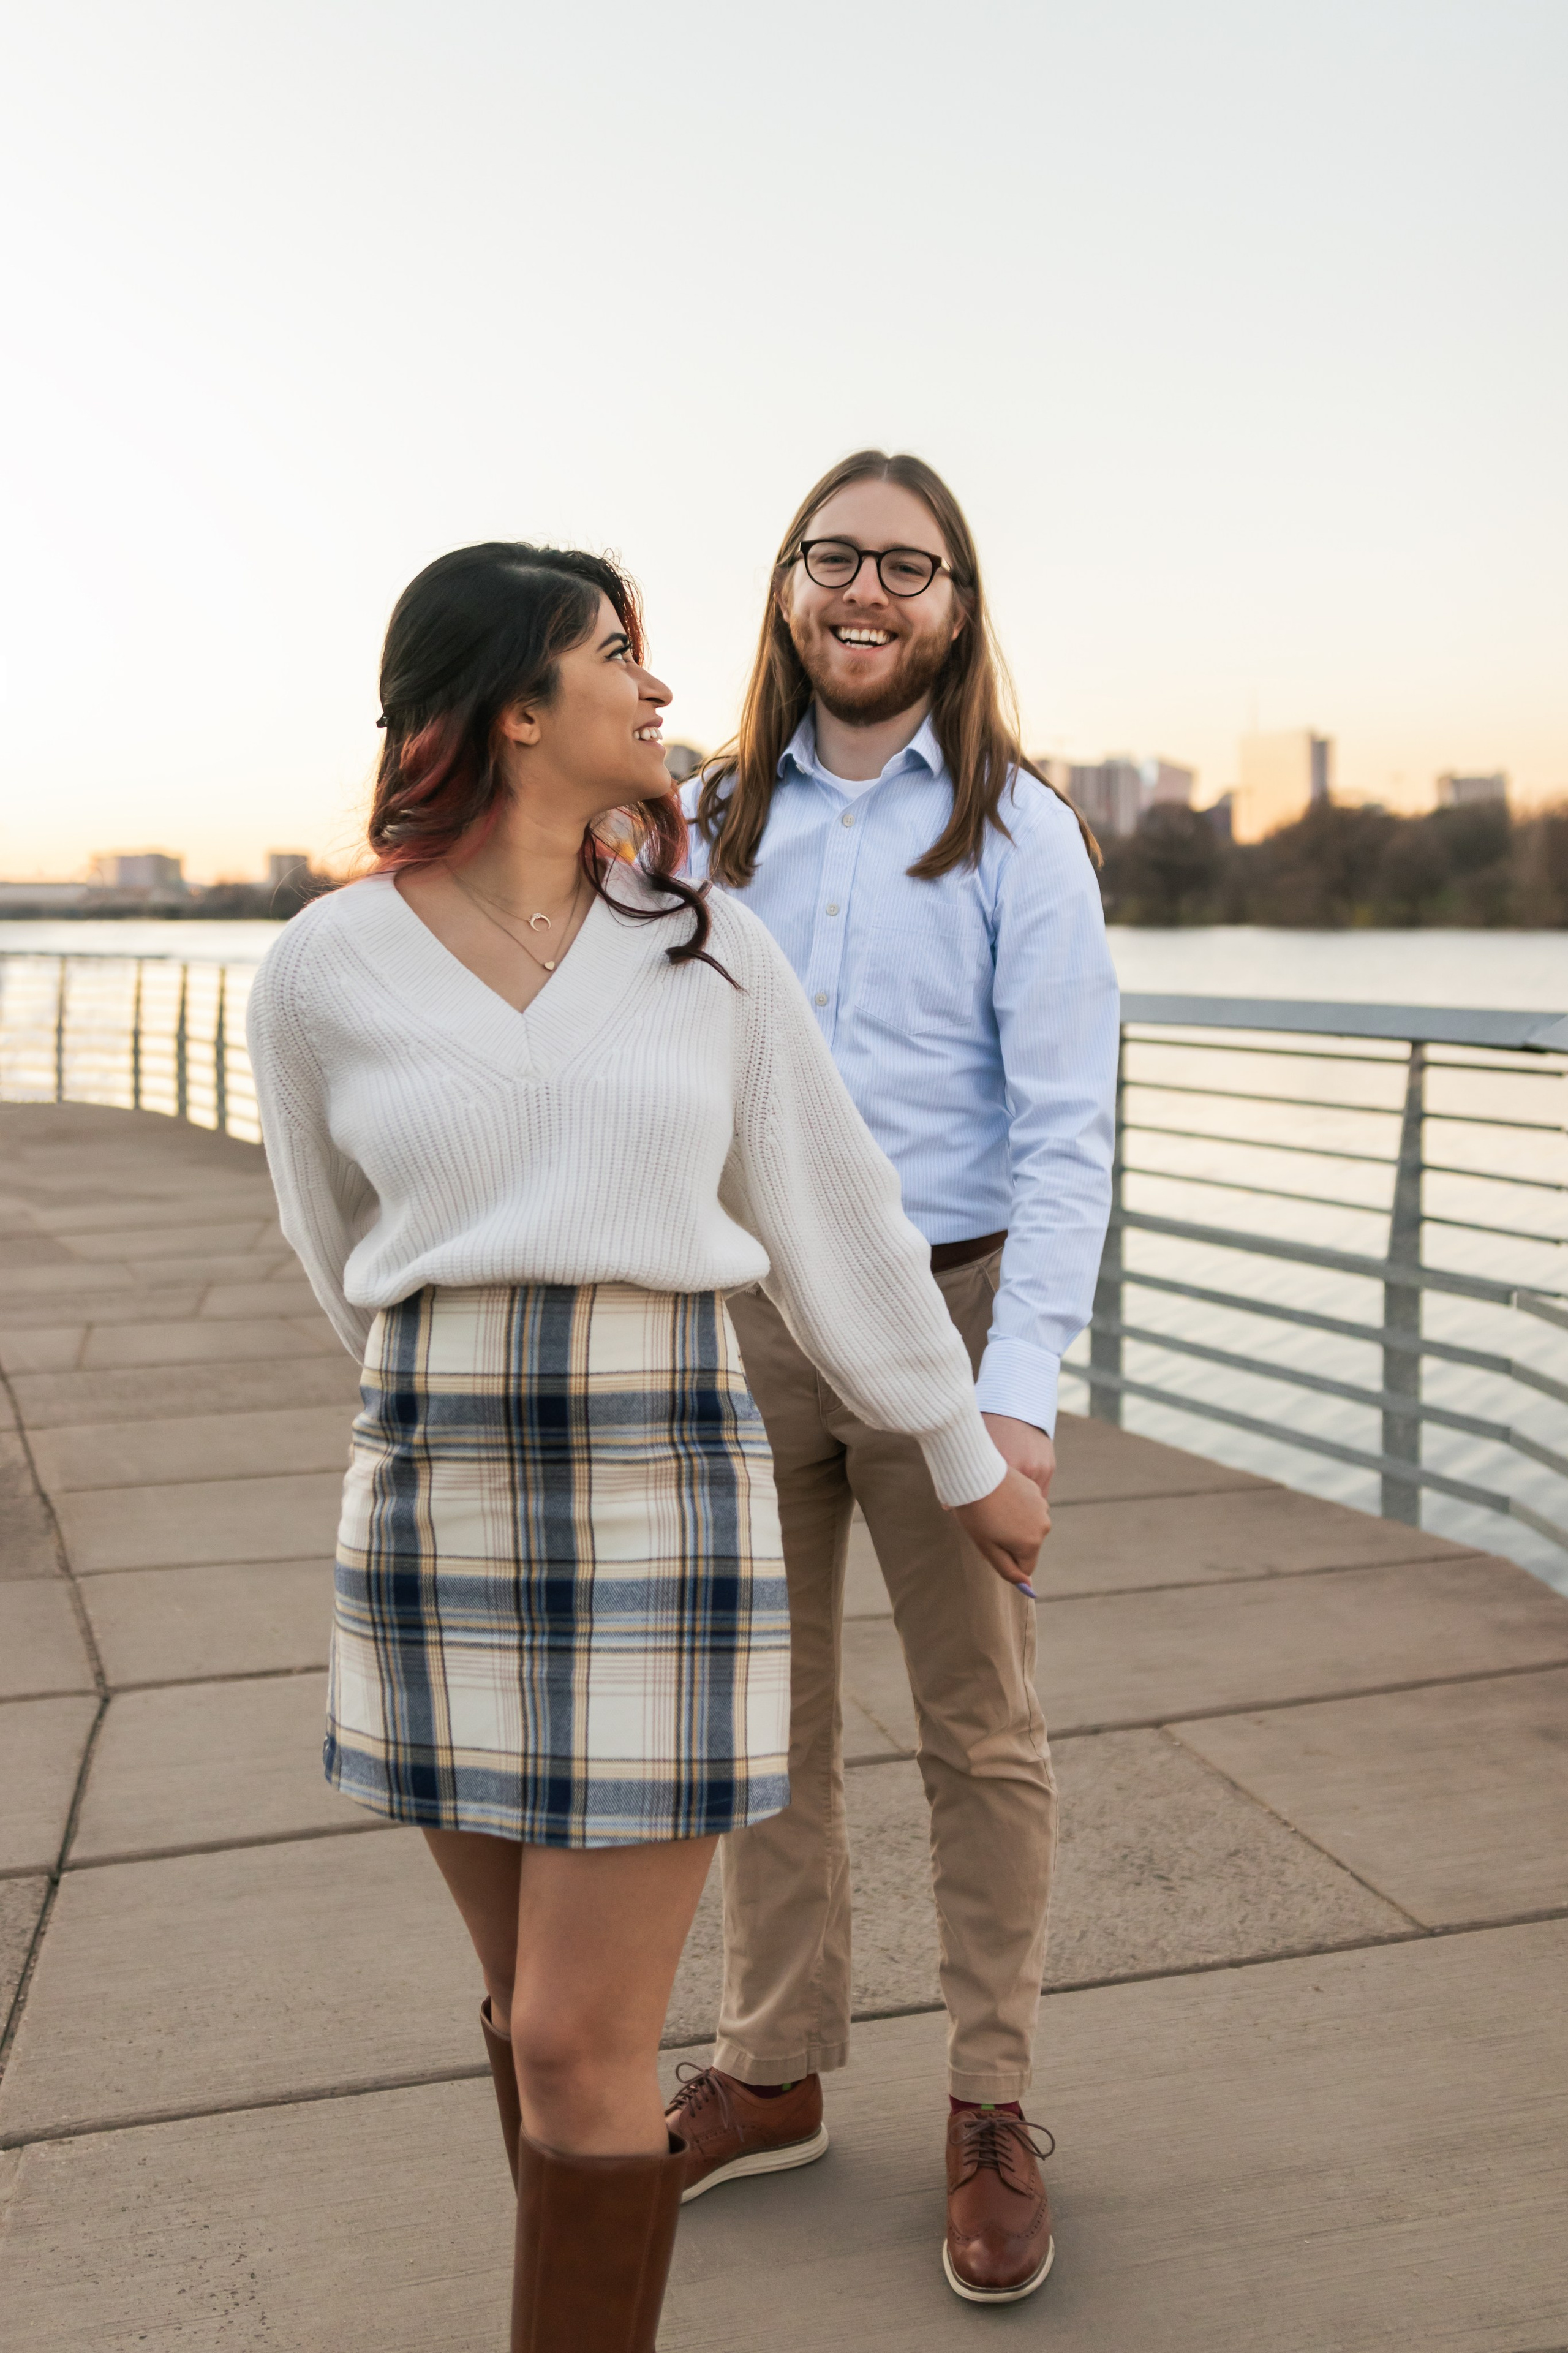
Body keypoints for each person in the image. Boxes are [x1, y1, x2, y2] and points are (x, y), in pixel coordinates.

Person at [244, 540, 1047, 2353]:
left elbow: (839, 1216)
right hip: (434, 1507)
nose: (661, 687)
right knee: (530, 2009)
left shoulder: (708, 948)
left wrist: (959, 1442)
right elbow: (336, 1250)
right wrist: (439, 1413)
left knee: (571, 2036)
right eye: (621, 653)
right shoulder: (319, 972)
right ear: (519, 710)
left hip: (664, 1497)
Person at [671, 454, 1119, 2305]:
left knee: (979, 1731)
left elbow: (1071, 1137)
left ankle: (993, 2103)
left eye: (908, 564)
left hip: (947, 1317)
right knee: (762, 1722)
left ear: (956, 603)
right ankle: (774, 2064)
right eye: (835, 554)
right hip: (756, 1321)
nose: (869, 589)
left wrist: (1011, 1403)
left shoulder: (1026, 833)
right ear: (788, 589)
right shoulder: (700, 821)